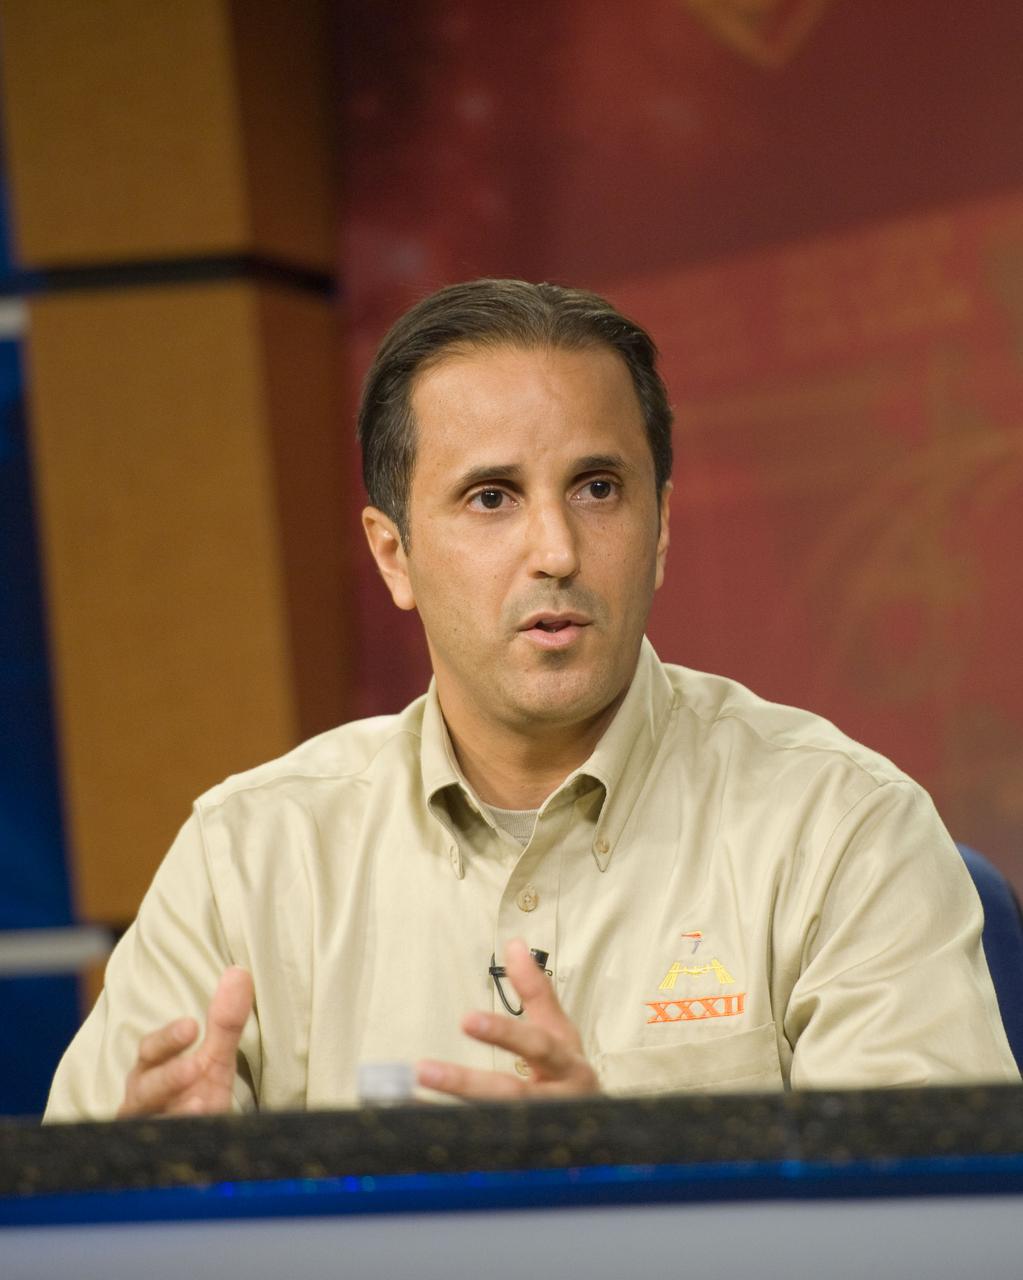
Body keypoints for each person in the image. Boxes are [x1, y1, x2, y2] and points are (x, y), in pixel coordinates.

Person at [45, 279, 1018, 1120]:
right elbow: (76, 1238)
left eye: (598, 488)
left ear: (663, 526)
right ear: (395, 554)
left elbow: (931, 1235)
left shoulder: (842, 828)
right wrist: (155, 1185)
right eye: (491, 497)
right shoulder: (247, 859)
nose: (555, 548)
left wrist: (622, 1194)